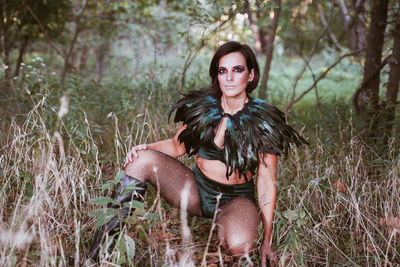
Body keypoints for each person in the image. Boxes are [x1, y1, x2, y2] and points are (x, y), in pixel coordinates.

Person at [87, 41, 307, 265]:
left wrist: (268, 237)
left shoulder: (263, 120)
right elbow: (176, 146)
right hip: (196, 191)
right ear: (217, 75)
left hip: (236, 199)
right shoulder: (204, 107)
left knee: (241, 245)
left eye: (237, 70)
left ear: (250, 75)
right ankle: (98, 255)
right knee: (140, 160)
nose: (229, 77)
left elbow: (267, 181)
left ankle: (228, 225)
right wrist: (145, 148)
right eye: (223, 70)